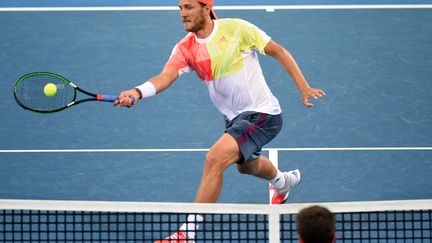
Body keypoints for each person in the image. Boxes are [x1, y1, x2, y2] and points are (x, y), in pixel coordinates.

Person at [115, 0, 326, 241]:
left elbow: (278, 51)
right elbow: (167, 76)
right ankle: (283, 181)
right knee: (246, 166)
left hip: (262, 115)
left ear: (206, 8)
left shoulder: (237, 29)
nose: (183, 14)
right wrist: (137, 91)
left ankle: (186, 233)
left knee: (214, 158)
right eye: (180, 8)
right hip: (234, 119)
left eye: (189, 7)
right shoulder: (185, 48)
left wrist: (303, 87)